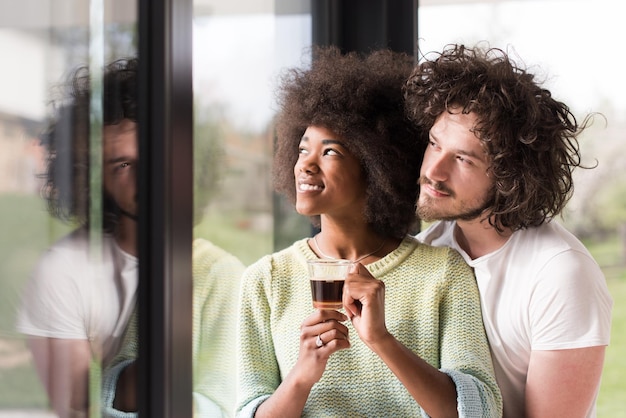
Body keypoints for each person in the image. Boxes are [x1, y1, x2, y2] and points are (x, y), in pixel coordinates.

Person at [236, 46, 502, 418]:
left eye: (330, 152)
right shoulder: (265, 281)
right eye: (301, 149)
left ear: (377, 166)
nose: (305, 166)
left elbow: (480, 411)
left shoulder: (443, 273)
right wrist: (300, 378)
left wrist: (381, 340)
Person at [16, 58, 244, 418]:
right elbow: (78, 409)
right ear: (91, 178)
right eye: (122, 165)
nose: (147, 177)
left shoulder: (224, 273)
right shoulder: (64, 271)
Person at [405, 43, 613, 417]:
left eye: (463, 159)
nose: (433, 171)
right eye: (435, 144)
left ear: (508, 176)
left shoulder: (559, 274)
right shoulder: (426, 251)